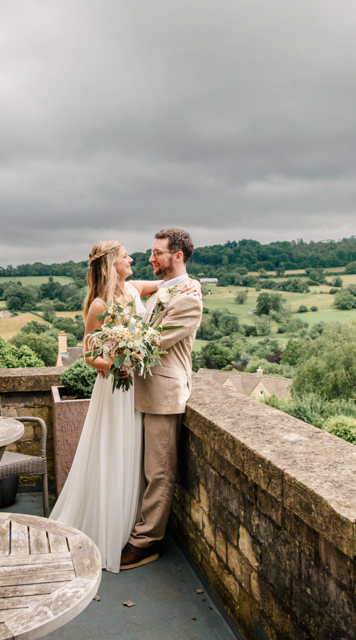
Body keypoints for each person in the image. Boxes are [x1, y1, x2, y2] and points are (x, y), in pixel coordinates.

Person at [49, 239, 200, 573]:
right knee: (111, 453)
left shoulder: (133, 290)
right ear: (110, 264)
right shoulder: (99, 306)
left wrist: (196, 287)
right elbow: (89, 356)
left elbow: (170, 284)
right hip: (116, 387)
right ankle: (107, 530)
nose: (132, 258)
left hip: (137, 390)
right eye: (124, 255)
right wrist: (116, 366)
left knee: (134, 459)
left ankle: (126, 526)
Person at [120, 229, 203, 570]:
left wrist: (113, 353)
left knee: (159, 471)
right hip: (146, 392)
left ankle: (146, 541)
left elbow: (151, 344)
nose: (150, 258)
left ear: (177, 256)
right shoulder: (166, 291)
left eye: (157, 253)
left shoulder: (188, 299)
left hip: (166, 395)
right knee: (146, 469)